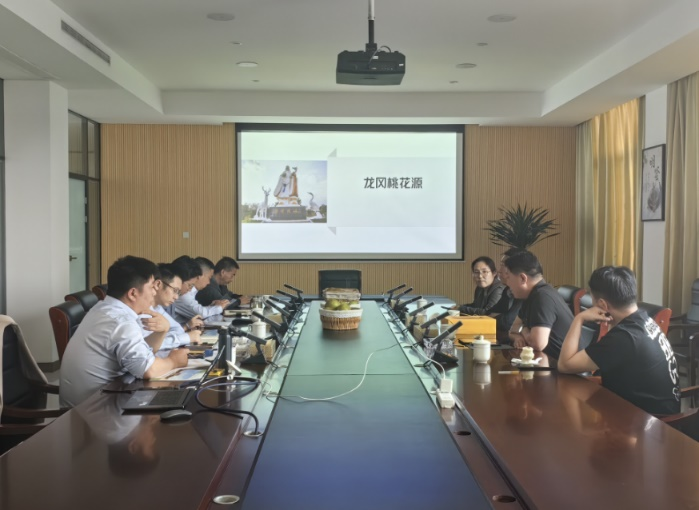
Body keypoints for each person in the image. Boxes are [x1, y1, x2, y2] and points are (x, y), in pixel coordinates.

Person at [60, 256, 189, 407]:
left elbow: (143, 354)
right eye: (152, 287)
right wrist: (174, 361)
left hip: (101, 399)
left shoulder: (104, 308)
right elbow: (149, 370)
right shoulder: (120, 321)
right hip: (95, 410)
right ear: (133, 293)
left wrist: (161, 332)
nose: (155, 293)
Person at [557, 266, 680, 415]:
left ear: (602, 305)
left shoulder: (624, 337)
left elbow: (564, 365)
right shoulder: (644, 319)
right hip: (658, 413)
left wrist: (579, 318)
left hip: (650, 423)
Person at [500, 250, 573, 358]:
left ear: (523, 278)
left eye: (509, 277)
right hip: (544, 359)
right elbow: (513, 330)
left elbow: (538, 344)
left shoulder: (543, 297)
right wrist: (518, 336)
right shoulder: (530, 295)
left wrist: (523, 330)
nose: (507, 283)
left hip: (561, 365)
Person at [142, 263, 202, 349]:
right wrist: (185, 338)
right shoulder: (142, 311)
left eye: (178, 292)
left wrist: (166, 337)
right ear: (158, 284)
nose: (176, 297)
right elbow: (146, 346)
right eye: (175, 290)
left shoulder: (158, 308)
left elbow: (178, 329)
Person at [172, 256, 230, 323]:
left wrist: (211, 306)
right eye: (209, 278)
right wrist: (219, 307)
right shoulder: (183, 293)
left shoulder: (188, 290)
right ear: (199, 276)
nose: (209, 283)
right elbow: (200, 314)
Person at [490, 248, 525, 341]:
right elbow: (491, 312)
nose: (499, 270)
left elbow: (508, 322)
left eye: (503, 265)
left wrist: (493, 318)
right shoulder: (507, 290)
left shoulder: (523, 292)